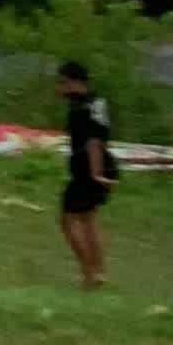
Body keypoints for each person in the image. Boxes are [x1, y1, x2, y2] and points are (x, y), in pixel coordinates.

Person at [54, 60, 117, 289]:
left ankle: (88, 272)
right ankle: (99, 272)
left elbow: (93, 141)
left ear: (74, 82)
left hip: (88, 168)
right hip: (103, 165)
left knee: (68, 220)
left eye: (62, 83)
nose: (58, 88)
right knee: (89, 218)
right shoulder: (97, 102)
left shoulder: (81, 109)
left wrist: (96, 172)